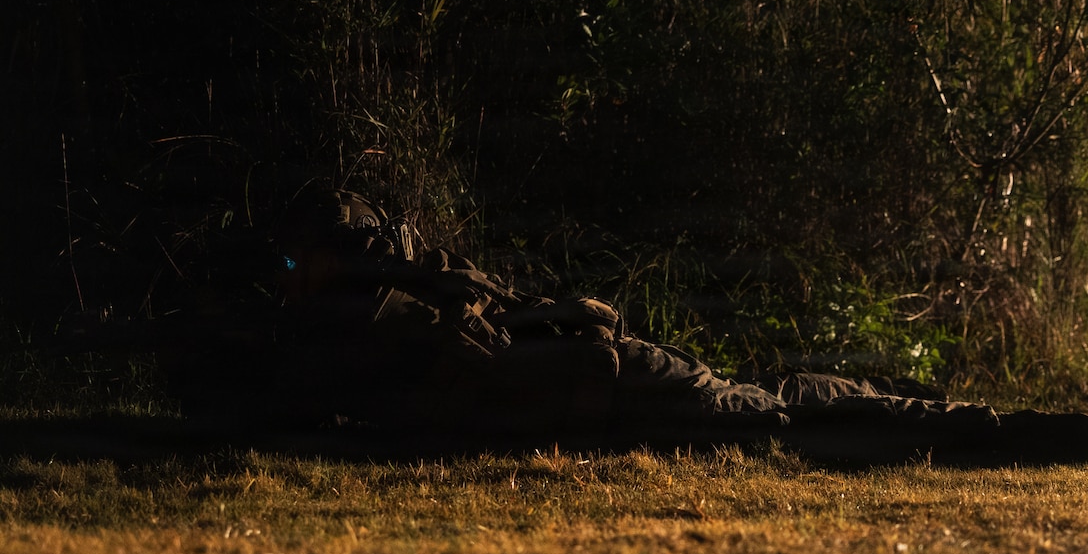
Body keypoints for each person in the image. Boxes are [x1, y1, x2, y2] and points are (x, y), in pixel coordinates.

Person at [270, 187, 1008, 457]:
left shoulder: (392, 312)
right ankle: (930, 404)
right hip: (625, 385)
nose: (293, 277)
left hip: (629, 386)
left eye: (302, 261)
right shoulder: (403, 301)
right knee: (775, 399)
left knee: (788, 417)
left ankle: (986, 426)